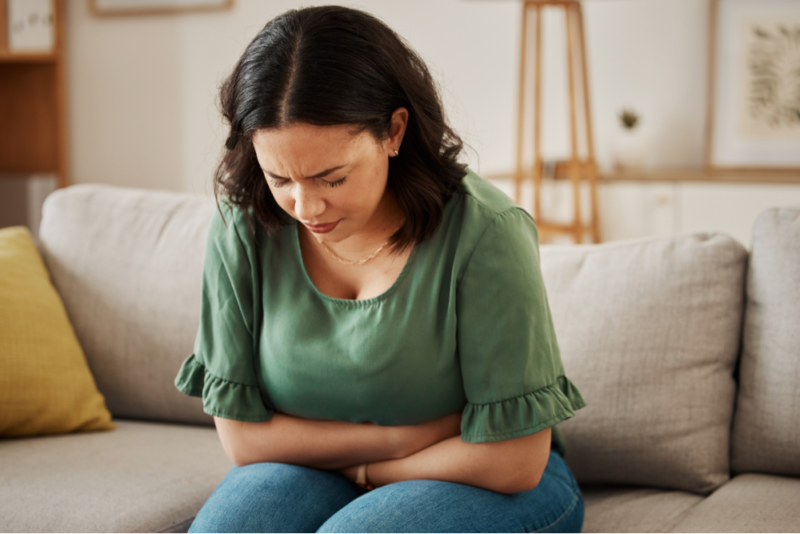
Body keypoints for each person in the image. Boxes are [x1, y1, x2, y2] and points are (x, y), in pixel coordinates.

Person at [174, 5, 588, 533]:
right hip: (333, 470)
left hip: (490, 480)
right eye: (280, 178)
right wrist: (396, 441)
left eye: (332, 178)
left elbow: (513, 461)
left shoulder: (486, 232)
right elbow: (243, 440)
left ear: (393, 132)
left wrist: (369, 473)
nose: (305, 208)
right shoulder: (244, 227)